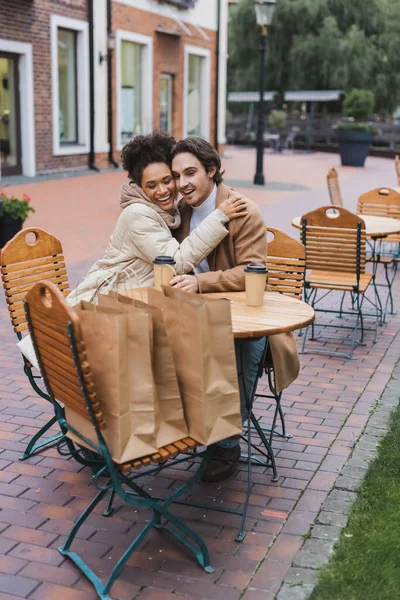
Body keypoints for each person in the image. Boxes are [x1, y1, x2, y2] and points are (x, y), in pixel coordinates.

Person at [170, 136, 300, 482]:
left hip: (245, 318)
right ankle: (175, 423)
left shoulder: (242, 210)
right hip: (191, 313)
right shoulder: (179, 213)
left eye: (190, 173)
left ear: (211, 170)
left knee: (239, 345)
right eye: (176, 175)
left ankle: (226, 442)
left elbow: (252, 270)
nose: (182, 183)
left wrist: (202, 282)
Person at [68, 131, 247, 304]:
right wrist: (219, 217)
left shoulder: (168, 213)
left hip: (132, 304)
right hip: (102, 308)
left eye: (167, 180)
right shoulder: (137, 214)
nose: (162, 191)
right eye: (151, 185)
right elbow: (176, 263)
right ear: (140, 187)